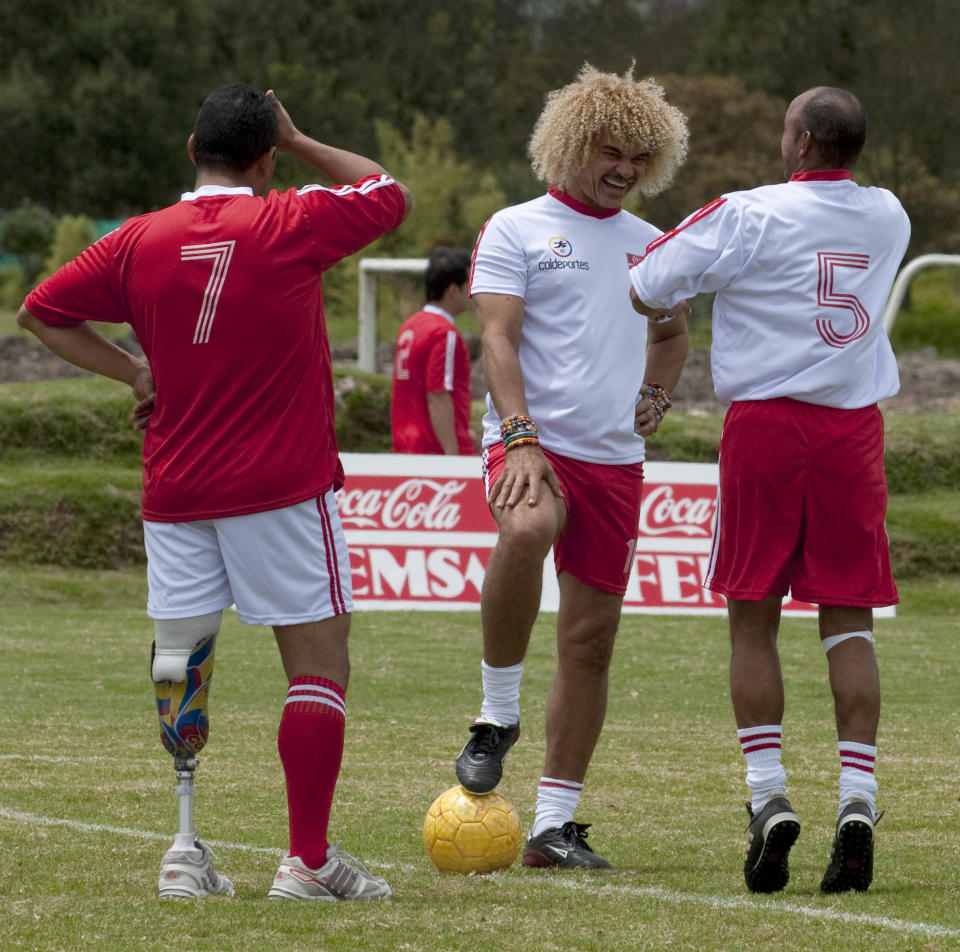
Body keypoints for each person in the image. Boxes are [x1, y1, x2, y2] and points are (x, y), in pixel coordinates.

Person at [18, 84, 412, 901]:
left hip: (176, 489)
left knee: (181, 663)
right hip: (280, 486)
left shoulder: (136, 239)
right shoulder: (288, 219)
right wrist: (302, 139)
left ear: (190, 149)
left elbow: (40, 311)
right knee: (317, 665)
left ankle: (184, 851)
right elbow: (385, 192)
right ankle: (307, 862)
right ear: (265, 159)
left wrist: (133, 369)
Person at [628, 86, 909, 894]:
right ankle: (859, 800)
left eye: (787, 125)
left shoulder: (747, 212)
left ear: (805, 140)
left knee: (751, 615)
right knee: (849, 618)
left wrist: (693, 290)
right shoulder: (889, 215)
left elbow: (648, 283)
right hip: (853, 432)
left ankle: (767, 797)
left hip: (768, 428)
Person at [456, 64, 689, 869]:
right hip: (533, 445)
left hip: (617, 463)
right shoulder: (515, 227)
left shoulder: (653, 245)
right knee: (526, 529)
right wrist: (519, 435)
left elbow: (671, 334)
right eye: (609, 152)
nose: (623, 168)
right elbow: (498, 339)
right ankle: (495, 715)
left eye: (637, 157)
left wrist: (657, 395)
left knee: (590, 643)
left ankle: (554, 826)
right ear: (570, 146)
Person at [391, 246, 477, 454]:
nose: (471, 291)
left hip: (406, 444)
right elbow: (438, 395)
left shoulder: (410, 325)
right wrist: (451, 455)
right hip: (434, 449)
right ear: (453, 290)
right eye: (468, 284)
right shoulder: (443, 332)